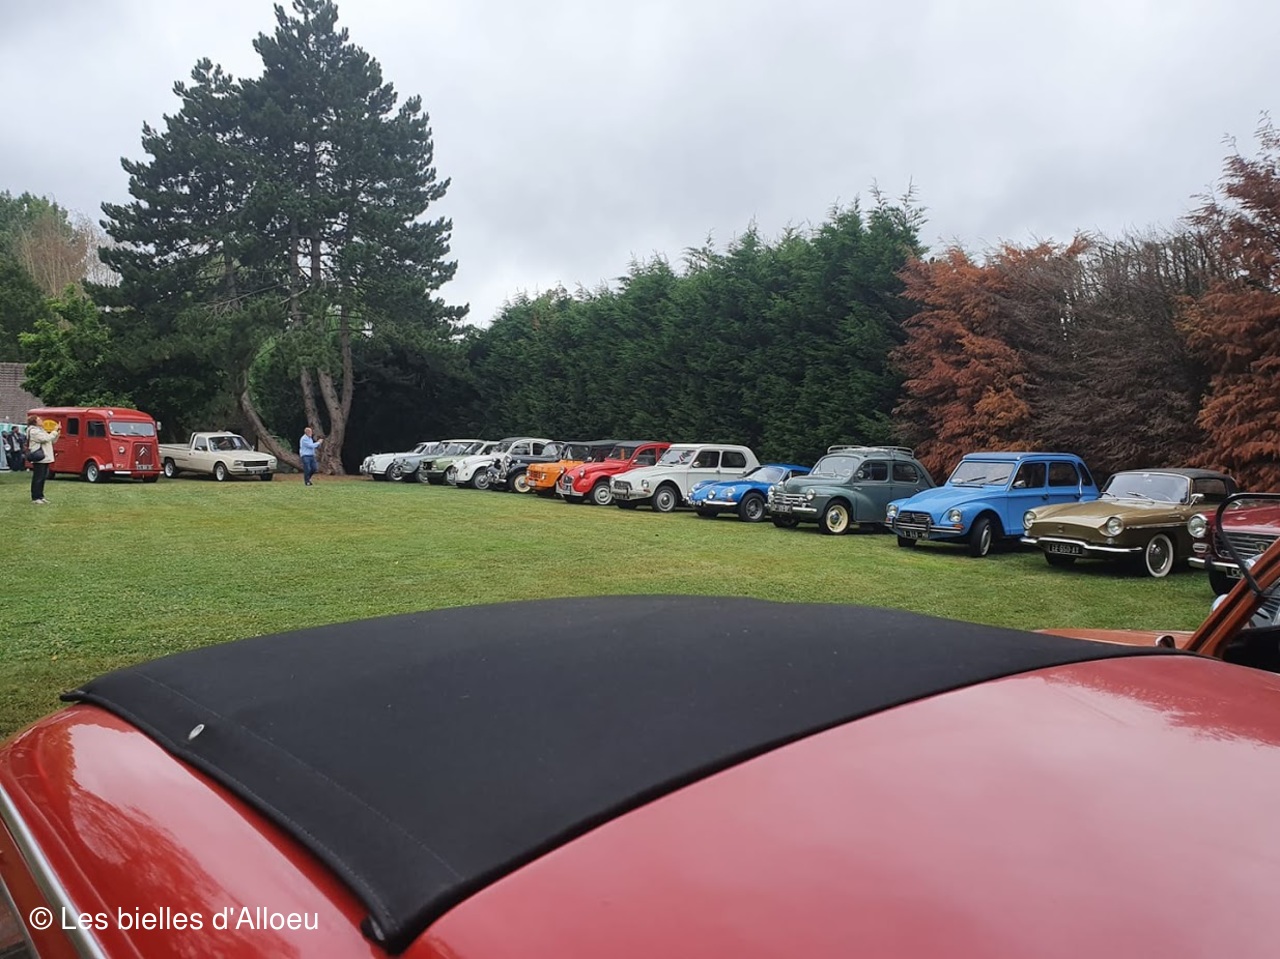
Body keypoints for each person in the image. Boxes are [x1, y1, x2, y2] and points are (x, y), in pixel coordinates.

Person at [26, 415, 59, 504]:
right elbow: (45, 438)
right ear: (34, 422)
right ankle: (35, 497)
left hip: (45, 457)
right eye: (39, 420)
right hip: (39, 457)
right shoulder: (33, 431)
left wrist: (57, 432)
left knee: (43, 477)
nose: (41, 421)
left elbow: (51, 440)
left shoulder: (41, 430)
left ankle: (40, 496)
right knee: (38, 478)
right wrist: (54, 431)